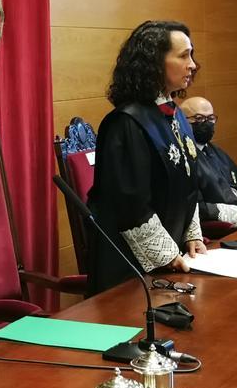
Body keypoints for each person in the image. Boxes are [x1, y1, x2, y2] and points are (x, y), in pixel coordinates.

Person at [87, 20, 208, 295]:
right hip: (129, 273)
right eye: (183, 56)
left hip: (173, 264)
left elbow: (189, 184)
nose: (193, 64)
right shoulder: (127, 123)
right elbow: (130, 204)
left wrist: (192, 236)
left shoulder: (177, 115)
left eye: (192, 54)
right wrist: (168, 255)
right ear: (154, 62)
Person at [179, 96, 237, 228]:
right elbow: (194, 207)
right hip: (225, 227)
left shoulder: (216, 151)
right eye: (199, 118)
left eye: (211, 118)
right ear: (182, 121)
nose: (207, 123)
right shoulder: (182, 157)